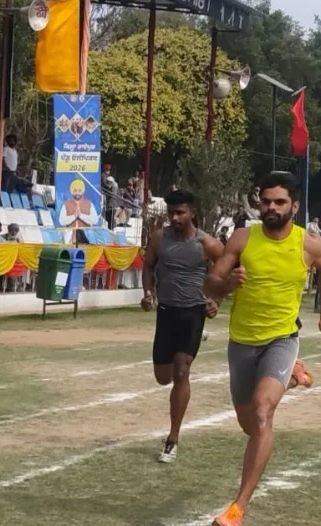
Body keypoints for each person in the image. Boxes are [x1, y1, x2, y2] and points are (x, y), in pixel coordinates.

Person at [204, 172, 321, 526]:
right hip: (242, 342)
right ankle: (294, 377)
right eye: (266, 201)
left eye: (279, 202)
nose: (271, 208)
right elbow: (212, 284)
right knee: (251, 426)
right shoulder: (243, 239)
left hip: (282, 338)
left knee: (263, 413)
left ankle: (237, 508)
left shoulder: (308, 244)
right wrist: (227, 285)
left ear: (294, 205)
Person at [141, 188, 223, 463]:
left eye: (180, 212)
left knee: (181, 371)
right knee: (162, 377)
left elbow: (226, 272)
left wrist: (215, 300)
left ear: (193, 213)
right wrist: (148, 293)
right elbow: (148, 266)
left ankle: (172, 439)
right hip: (166, 313)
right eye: (171, 213)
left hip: (192, 313)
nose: (175, 218)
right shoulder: (158, 239)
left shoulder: (207, 244)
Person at [102, 162, 120, 230]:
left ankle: (112, 228)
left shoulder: (112, 185)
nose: (108, 171)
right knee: (109, 218)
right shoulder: (104, 176)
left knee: (109, 218)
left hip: (111, 204)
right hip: (112, 204)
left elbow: (108, 187)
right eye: (107, 169)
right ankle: (112, 226)